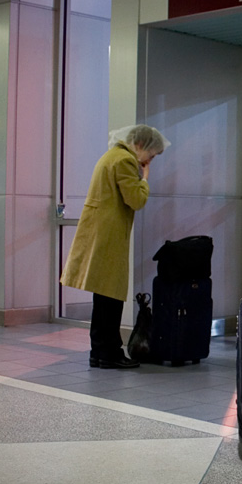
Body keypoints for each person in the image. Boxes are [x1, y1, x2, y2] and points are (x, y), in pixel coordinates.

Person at [61, 124, 170, 369]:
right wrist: (145, 180)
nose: (150, 160)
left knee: (103, 295)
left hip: (100, 233)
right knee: (111, 295)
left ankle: (100, 352)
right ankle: (109, 352)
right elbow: (136, 200)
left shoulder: (110, 156)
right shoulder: (124, 161)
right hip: (108, 235)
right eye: (151, 154)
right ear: (140, 144)